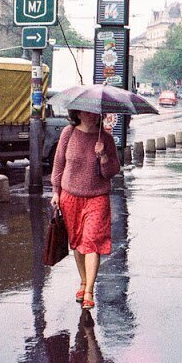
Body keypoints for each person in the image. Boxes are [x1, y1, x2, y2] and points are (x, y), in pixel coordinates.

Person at [50, 109, 121, 310]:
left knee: (92, 242)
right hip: (70, 196)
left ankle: (89, 290)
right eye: (88, 112)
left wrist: (104, 156)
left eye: (97, 113)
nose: (94, 116)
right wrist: (56, 192)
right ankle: (83, 280)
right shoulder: (68, 133)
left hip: (97, 197)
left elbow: (111, 172)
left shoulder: (105, 139)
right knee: (77, 244)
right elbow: (58, 165)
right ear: (79, 114)